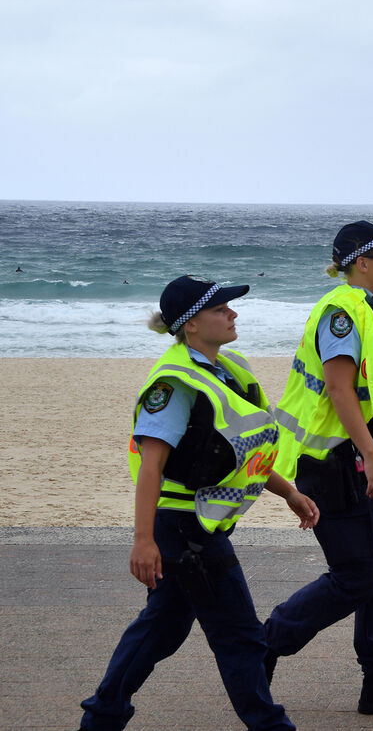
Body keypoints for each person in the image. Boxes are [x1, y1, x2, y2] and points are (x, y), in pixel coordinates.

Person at [79, 275, 319, 731]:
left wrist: (288, 491)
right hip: (183, 529)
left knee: (162, 629)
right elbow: (151, 466)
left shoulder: (226, 370)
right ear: (190, 325)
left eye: (230, 307)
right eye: (220, 309)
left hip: (196, 525)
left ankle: (102, 718)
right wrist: (143, 540)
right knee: (241, 637)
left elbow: (241, 449)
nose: (232, 314)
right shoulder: (175, 383)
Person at [263, 221, 373, 715]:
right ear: (361, 262)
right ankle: (264, 645)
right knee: (358, 575)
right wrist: (372, 457)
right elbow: (340, 390)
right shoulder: (340, 312)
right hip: (339, 463)